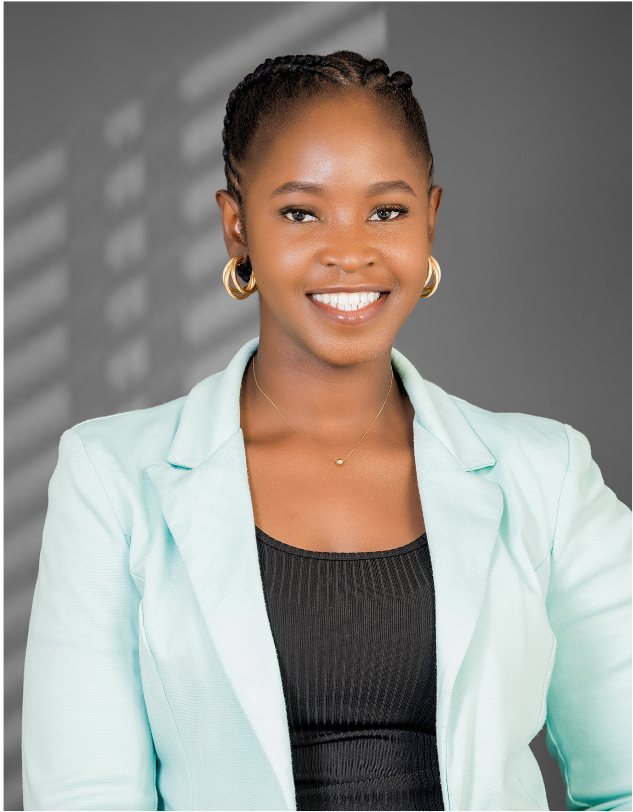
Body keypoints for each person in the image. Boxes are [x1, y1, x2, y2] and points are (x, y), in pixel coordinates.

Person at [22, 51, 631, 812]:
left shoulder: (549, 475)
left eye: (387, 211)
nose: (350, 252)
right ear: (236, 226)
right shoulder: (109, 477)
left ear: (431, 218)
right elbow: (85, 797)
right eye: (301, 213)